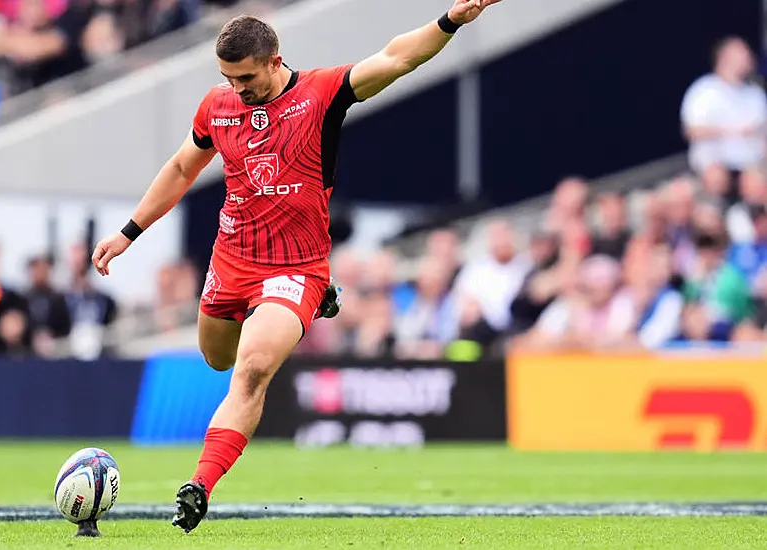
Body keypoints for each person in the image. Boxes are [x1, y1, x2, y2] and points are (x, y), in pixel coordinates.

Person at [91, 0, 503, 533]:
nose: (236, 88)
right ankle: (310, 305)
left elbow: (397, 59)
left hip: (295, 265)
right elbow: (179, 168)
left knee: (252, 370)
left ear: (273, 60)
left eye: (244, 77)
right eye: (227, 78)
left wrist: (450, 20)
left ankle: (199, 485)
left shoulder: (321, 93)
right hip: (231, 259)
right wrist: (128, 234)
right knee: (218, 359)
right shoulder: (216, 108)